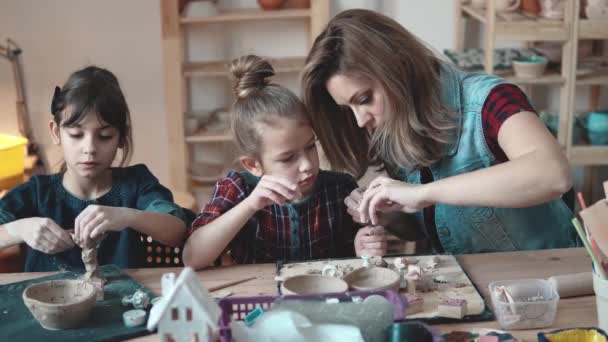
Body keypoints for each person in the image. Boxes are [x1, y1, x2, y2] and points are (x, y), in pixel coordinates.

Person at [301, 9, 578, 255]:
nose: (360, 121)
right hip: (472, 289)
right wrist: (388, 213)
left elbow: (553, 174)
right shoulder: (392, 127)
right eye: (347, 108)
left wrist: (425, 193)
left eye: (363, 99)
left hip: (551, 280)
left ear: (397, 68)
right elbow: (432, 229)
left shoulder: (489, 101)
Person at [183, 55, 386, 269]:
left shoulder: (340, 188)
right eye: (288, 158)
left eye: (310, 146)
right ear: (253, 165)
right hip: (262, 299)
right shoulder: (238, 189)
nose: (307, 164)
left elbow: (357, 258)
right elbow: (192, 258)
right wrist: (250, 205)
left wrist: (363, 246)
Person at [0, 66, 190, 271]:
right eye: (76, 135)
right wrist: (19, 229)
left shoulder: (136, 183)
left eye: (104, 136)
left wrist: (127, 216)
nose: (89, 149)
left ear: (121, 138)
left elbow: (177, 230)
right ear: (56, 133)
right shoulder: (37, 193)